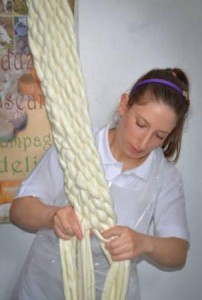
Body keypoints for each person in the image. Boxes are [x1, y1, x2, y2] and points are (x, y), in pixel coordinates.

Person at [9, 67, 190, 300]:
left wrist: (145, 243)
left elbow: (178, 253)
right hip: (41, 288)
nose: (144, 142)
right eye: (141, 124)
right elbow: (19, 210)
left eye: (160, 135)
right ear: (125, 104)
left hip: (112, 292)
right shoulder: (76, 147)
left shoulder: (165, 177)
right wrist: (52, 215)